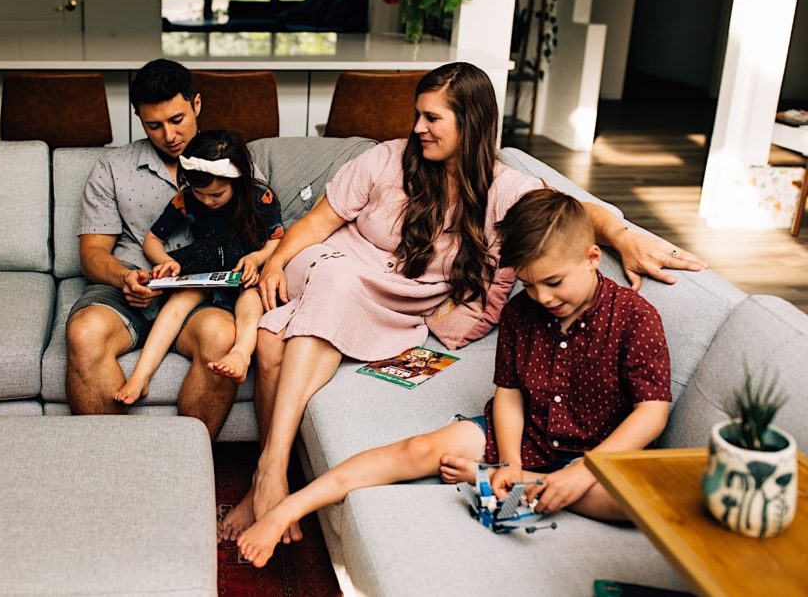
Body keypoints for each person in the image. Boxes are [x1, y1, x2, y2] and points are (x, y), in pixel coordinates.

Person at [218, 61, 702, 545]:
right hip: (335, 264)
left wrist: (623, 232)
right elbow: (317, 225)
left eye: (432, 119)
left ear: (469, 122)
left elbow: (570, 211)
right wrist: (279, 259)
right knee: (335, 283)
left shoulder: (504, 188)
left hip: (399, 300)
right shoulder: (386, 159)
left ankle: (266, 476)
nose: (417, 128)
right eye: (417, 115)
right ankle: (272, 472)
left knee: (269, 343)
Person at [236, 188, 672, 567]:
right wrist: (510, 463)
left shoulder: (635, 317)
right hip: (528, 438)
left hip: (602, 454)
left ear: (592, 257)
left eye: (553, 283)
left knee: (637, 504)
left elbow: (651, 413)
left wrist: (582, 473)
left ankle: (522, 484)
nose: (542, 297)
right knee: (419, 448)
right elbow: (509, 395)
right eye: (530, 285)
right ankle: (288, 507)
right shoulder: (523, 312)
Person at [65, 59, 250, 438]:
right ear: (138, 118)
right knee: (84, 333)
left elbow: (259, 230)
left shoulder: (230, 161)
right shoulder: (112, 167)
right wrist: (125, 277)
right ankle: (112, 467)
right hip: (130, 289)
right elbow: (92, 254)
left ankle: (184, 466)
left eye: (177, 119)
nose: (169, 135)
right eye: (154, 125)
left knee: (220, 335)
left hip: (201, 297)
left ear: (197, 104)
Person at [113, 129, 285, 404]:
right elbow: (153, 239)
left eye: (216, 194)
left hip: (247, 273)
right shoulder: (186, 198)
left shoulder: (259, 198)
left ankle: (240, 353)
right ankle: (141, 375)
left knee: (251, 303)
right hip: (207, 267)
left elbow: (278, 240)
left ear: (238, 182)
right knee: (179, 301)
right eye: (200, 192)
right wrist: (166, 261)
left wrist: (257, 259)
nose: (207, 200)